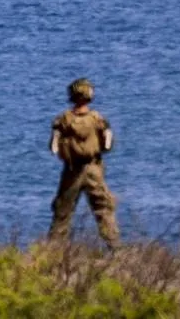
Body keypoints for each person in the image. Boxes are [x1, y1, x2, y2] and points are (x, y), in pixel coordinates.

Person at [48, 77, 119, 247]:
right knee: (103, 209)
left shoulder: (64, 119)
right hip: (93, 169)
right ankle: (115, 248)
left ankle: (53, 250)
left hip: (72, 171)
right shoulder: (97, 119)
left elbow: (53, 146)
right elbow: (108, 144)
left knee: (62, 211)